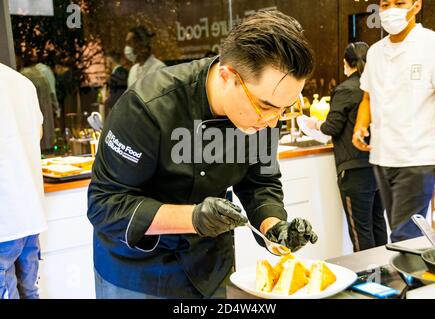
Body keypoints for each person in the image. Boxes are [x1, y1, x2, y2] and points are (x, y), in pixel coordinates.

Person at [88, 10, 318, 299]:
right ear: (227, 76)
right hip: (138, 275)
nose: (273, 122)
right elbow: (105, 204)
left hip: (211, 268)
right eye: (267, 107)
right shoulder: (147, 106)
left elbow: (260, 183)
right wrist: (193, 217)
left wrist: (274, 228)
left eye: (285, 109)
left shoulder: (263, 114)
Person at [352, 0, 435, 242]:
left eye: (400, 3)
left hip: (418, 155)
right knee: (398, 227)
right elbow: (367, 97)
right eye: (385, 4)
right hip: (383, 155)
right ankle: (416, 276)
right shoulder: (375, 52)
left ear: (416, 6)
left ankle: (415, 279)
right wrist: (359, 126)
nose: (391, 9)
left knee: (405, 233)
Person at [304, 43, 387, 252]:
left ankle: (369, 278)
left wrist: (314, 124)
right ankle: (387, 276)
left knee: (361, 230)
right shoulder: (380, 85)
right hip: (380, 166)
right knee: (378, 222)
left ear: (345, 63)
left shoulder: (345, 90)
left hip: (354, 168)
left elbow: (332, 126)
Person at [0, 63, 47, 299]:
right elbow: (37, 134)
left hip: (4, 223)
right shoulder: (22, 83)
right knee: (30, 293)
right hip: (29, 217)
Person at [104, 50, 128, 115]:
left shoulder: (120, 73)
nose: (106, 63)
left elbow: (119, 94)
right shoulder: (117, 73)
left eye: (106, 60)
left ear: (110, 60)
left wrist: (107, 102)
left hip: (120, 111)